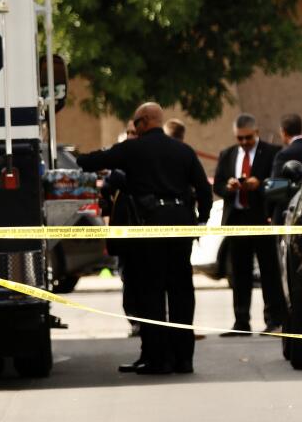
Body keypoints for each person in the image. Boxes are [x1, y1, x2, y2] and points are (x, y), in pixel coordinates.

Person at [77, 102, 212, 375]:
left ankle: (158, 359)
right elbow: (203, 189)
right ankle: (184, 359)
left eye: (136, 124)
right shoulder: (183, 150)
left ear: (143, 122)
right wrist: (201, 219)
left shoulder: (133, 149)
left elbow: (92, 162)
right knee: (181, 292)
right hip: (180, 226)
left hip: (149, 226)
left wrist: (73, 157)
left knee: (151, 292)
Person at [213, 113, 283, 336]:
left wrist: (259, 185)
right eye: (239, 138)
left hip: (261, 218)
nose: (243, 143)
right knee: (239, 273)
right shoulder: (228, 154)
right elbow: (217, 185)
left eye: (248, 138)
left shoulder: (272, 153)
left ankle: (273, 320)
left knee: (269, 271)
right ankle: (241, 322)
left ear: (257, 133)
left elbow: (278, 185)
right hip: (237, 219)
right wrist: (230, 187)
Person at [100, 121, 141, 333]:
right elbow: (106, 195)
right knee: (128, 278)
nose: (132, 136)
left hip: (147, 232)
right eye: (129, 133)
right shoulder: (117, 166)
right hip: (123, 232)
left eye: (136, 133)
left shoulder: (148, 160)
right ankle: (135, 321)